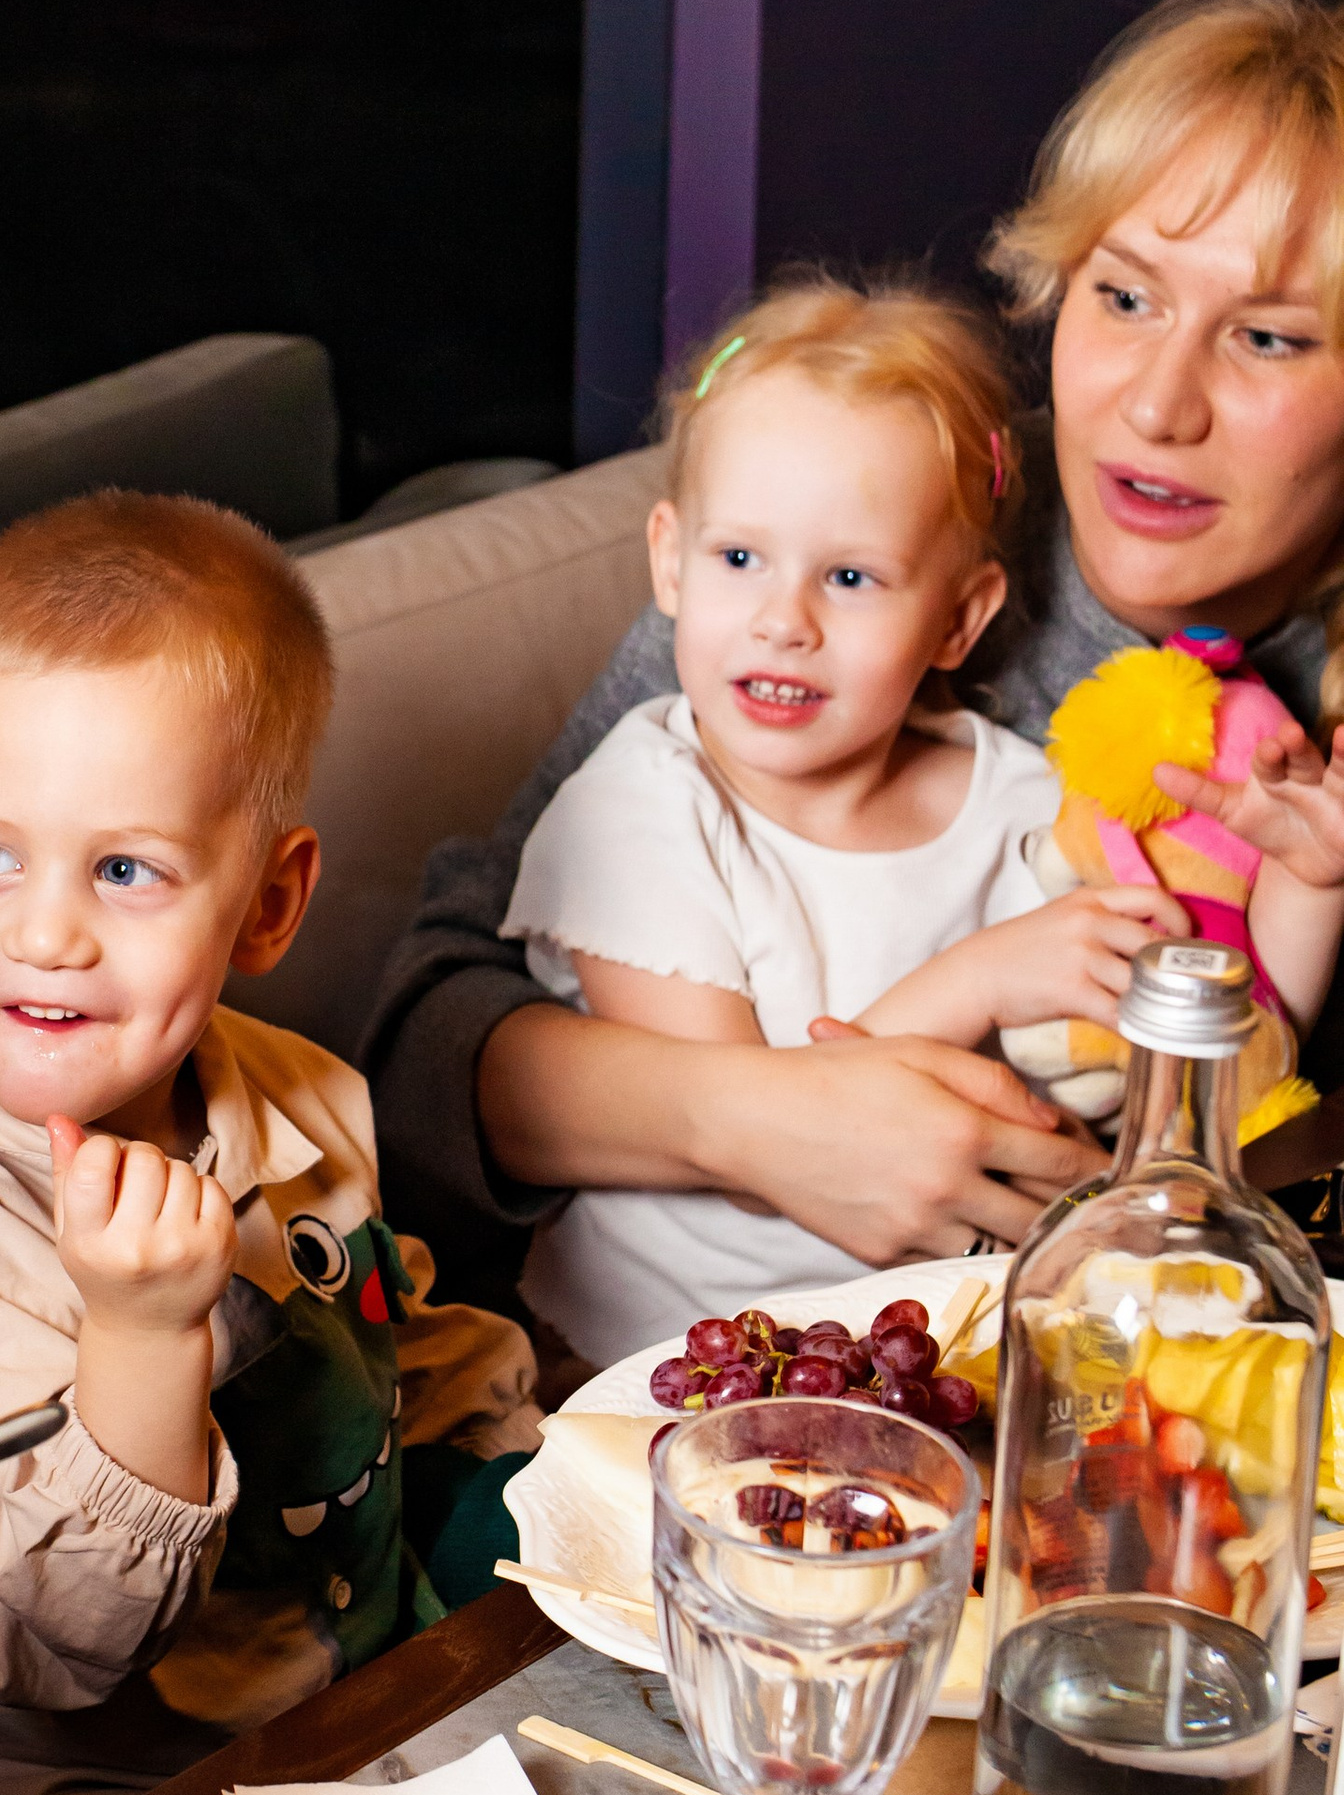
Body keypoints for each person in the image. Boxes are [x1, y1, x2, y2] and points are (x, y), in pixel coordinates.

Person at [368, 0, 1344, 1291]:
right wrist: (762, 1121)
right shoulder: (871, 526)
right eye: (1123, 299)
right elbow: (424, 1052)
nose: (1159, 406)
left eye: (1269, 338)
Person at [0, 493, 538, 1795]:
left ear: (270, 904)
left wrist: (514, 1441)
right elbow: (39, 1651)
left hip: (340, 1682)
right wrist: (139, 1332)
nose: (44, 934)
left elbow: (375, 1332)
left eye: (124, 870)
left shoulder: (292, 1091)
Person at [497, 281, 1344, 1367]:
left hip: (936, 1358)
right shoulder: (643, 808)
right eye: (739, 558)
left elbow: (1204, 1073)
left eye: (850, 576)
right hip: (652, 1368)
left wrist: (1309, 887)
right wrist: (983, 978)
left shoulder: (1019, 799)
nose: (783, 620)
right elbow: (764, 1134)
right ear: (669, 559)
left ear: (959, 617)